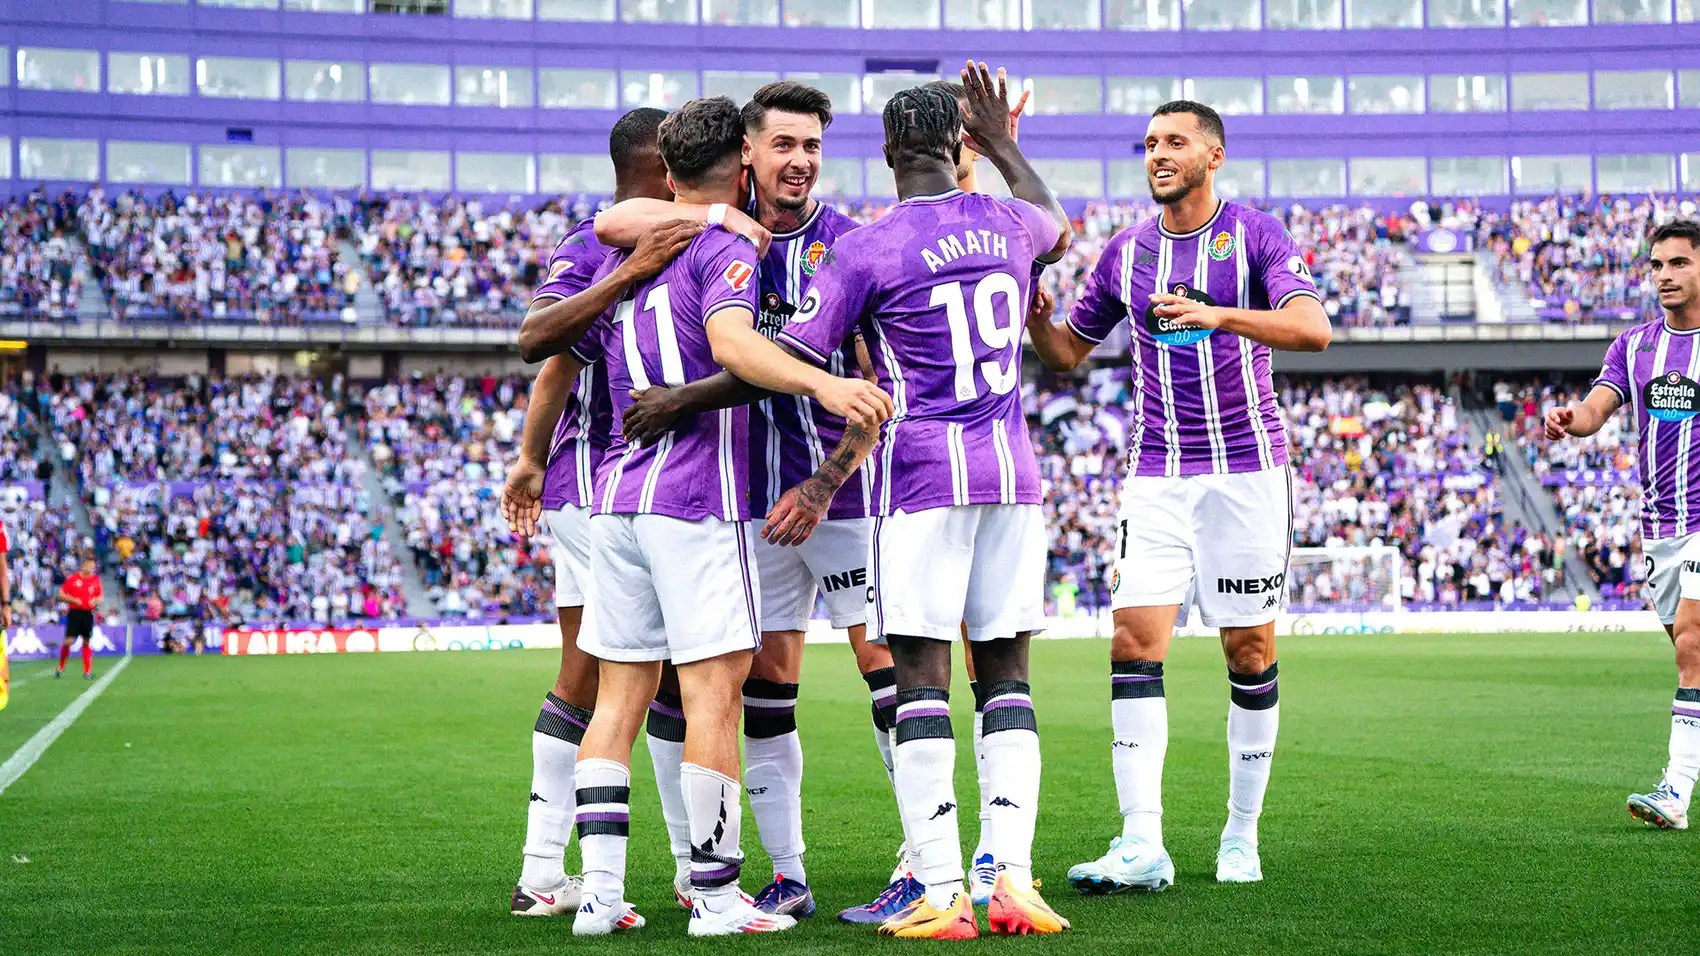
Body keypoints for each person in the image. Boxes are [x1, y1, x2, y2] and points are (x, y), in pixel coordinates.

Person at [740, 64, 1073, 938]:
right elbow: (1061, 228)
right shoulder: (1009, 222)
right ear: (959, 146)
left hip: (922, 479)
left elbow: (806, 355)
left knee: (920, 678)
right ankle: (1014, 881)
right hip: (1014, 477)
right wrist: (1003, 142)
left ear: (887, 152)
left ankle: (940, 891)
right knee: (1007, 677)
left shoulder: (866, 247)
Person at [564, 94, 889, 938]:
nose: (799, 159)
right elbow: (740, 348)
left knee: (621, 698)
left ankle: (597, 895)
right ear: (745, 158)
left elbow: (609, 223)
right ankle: (724, 891)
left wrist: (826, 474)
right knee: (723, 697)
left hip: (635, 497)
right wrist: (819, 381)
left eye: (813, 144)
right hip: (714, 500)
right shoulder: (721, 242)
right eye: (782, 143)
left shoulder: (640, 248)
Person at [1025, 99, 1330, 890]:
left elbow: (1313, 329)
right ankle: (1141, 843)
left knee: (1249, 650)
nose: (1158, 153)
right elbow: (1066, 354)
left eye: (1175, 142)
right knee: (1132, 642)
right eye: (1151, 142)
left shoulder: (1256, 234)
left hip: (1247, 474)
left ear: (1213, 155)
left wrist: (1216, 313)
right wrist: (1035, 315)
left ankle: (1240, 833)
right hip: (1157, 474)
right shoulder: (1126, 253)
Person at [498, 106, 696, 918]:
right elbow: (544, 353)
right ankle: (680, 871)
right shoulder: (593, 246)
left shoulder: (663, 231)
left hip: (597, 487)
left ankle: (547, 872)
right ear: (658, 164)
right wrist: (534, 460)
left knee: (602, 678)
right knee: (646, 678)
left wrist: (528, 461)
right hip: (599, 487)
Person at [1544, 218, 1700, 831]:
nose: (1664, 275)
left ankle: (1676, 791)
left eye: (1679, 263)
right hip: (1661, 527)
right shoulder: (1634, 347)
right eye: (1657, 264)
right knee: (1690, 652)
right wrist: (1569, 418)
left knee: (1691, 640)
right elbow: (1596, 410)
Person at [57, 556, 103, 680]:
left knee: (87, 641)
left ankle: (87, 671)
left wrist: (95, 601)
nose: (92, 569)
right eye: (90, 566)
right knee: (69, 641)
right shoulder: (73, 579)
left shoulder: (95, 580)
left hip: (88, 614)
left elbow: (100, 597)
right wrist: (73, 600)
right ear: (83, 565)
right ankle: (60, 667)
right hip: (74, 613)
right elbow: (60, 594)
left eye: (93, 567)